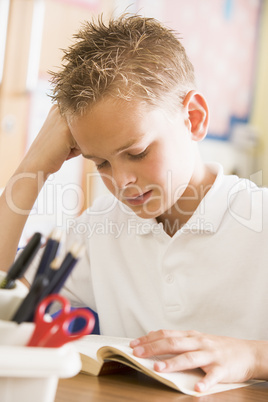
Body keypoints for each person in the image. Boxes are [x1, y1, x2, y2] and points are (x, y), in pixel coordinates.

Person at [1, 14, 268, 393]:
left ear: (193, 118)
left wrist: (254, 357)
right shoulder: (99, 230)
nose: (121, 182)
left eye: (137, 152)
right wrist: (35, 165)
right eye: (102, 163)